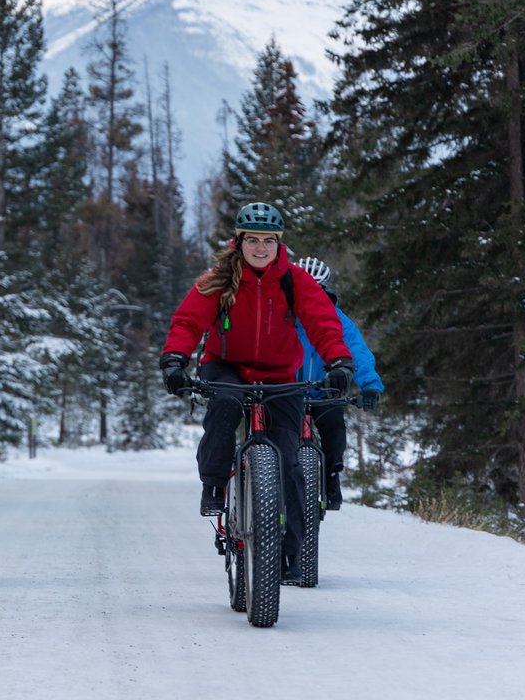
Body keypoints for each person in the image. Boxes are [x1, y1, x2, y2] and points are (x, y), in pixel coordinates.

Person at [159, 202, 354, 583]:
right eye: (253, 240)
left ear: (279, 244)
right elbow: (188, 320)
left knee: (290, 462)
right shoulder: (219, 278)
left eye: (268, 240)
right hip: (226, 367)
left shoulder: (295, 281)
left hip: (280, 373)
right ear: (240, 242)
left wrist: (339, 361)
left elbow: (323, 323)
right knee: (226, 403)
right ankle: (214, 482)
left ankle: (289, 554)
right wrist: (174, 359)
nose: (261, 248)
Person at [294, 256, 384, 510]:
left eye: (317, 290)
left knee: (334, 430)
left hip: (324, 392)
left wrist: (370, 386)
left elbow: (358, 352)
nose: (310, 296)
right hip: (285, 392)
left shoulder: (337, 319)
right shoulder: (281, 314)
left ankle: (331, 478)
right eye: (304, 289)